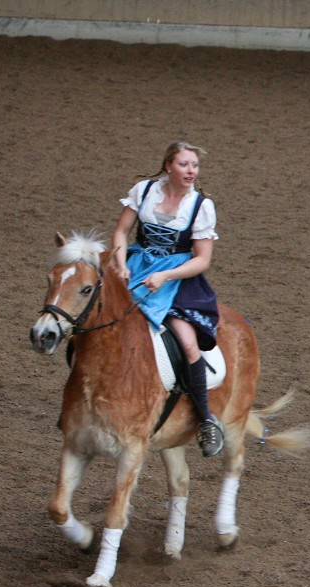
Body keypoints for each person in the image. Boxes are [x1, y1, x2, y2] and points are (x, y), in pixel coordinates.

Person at [110, 141, 225, 456]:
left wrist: (165, 277)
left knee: (188, 344)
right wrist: (120, 266)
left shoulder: (201, 206)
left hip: (177, 278)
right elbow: (121, 232)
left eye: (195, 166)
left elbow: (202, 260)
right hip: (135, 268)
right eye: (185, 165)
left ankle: (206, 420)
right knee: (97, 318)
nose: (191, 171)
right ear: (168, 166)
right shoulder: (144, 190)